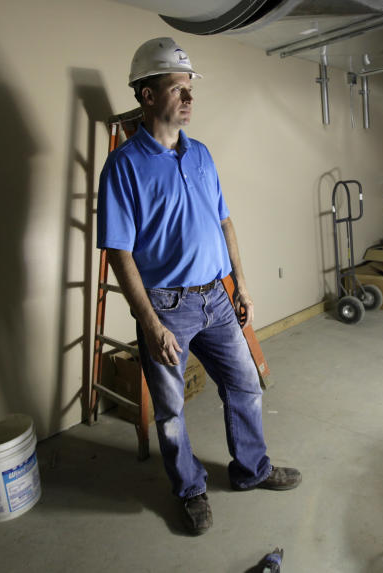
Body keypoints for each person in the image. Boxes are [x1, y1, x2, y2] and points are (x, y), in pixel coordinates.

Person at [97, 37, 301, 535]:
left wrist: (243, 287)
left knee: (245, 384)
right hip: (167, 307)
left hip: (216, 298)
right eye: (177, 88)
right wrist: (149, 324)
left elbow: (225, 223)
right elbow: (119, 254)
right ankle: (189, 490)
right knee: (170, 411)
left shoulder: (201, 154)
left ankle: (252, 470)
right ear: (147, 95)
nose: (189, 99)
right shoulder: (123, 167)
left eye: (190, 89)